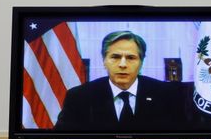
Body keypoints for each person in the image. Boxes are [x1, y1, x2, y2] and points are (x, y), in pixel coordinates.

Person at [54, 31, 184, 130]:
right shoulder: (79, 97)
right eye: (115, 57)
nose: (123, 64)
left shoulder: (166, 95)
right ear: (104, 61)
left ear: (141, 62)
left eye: (131, 58)